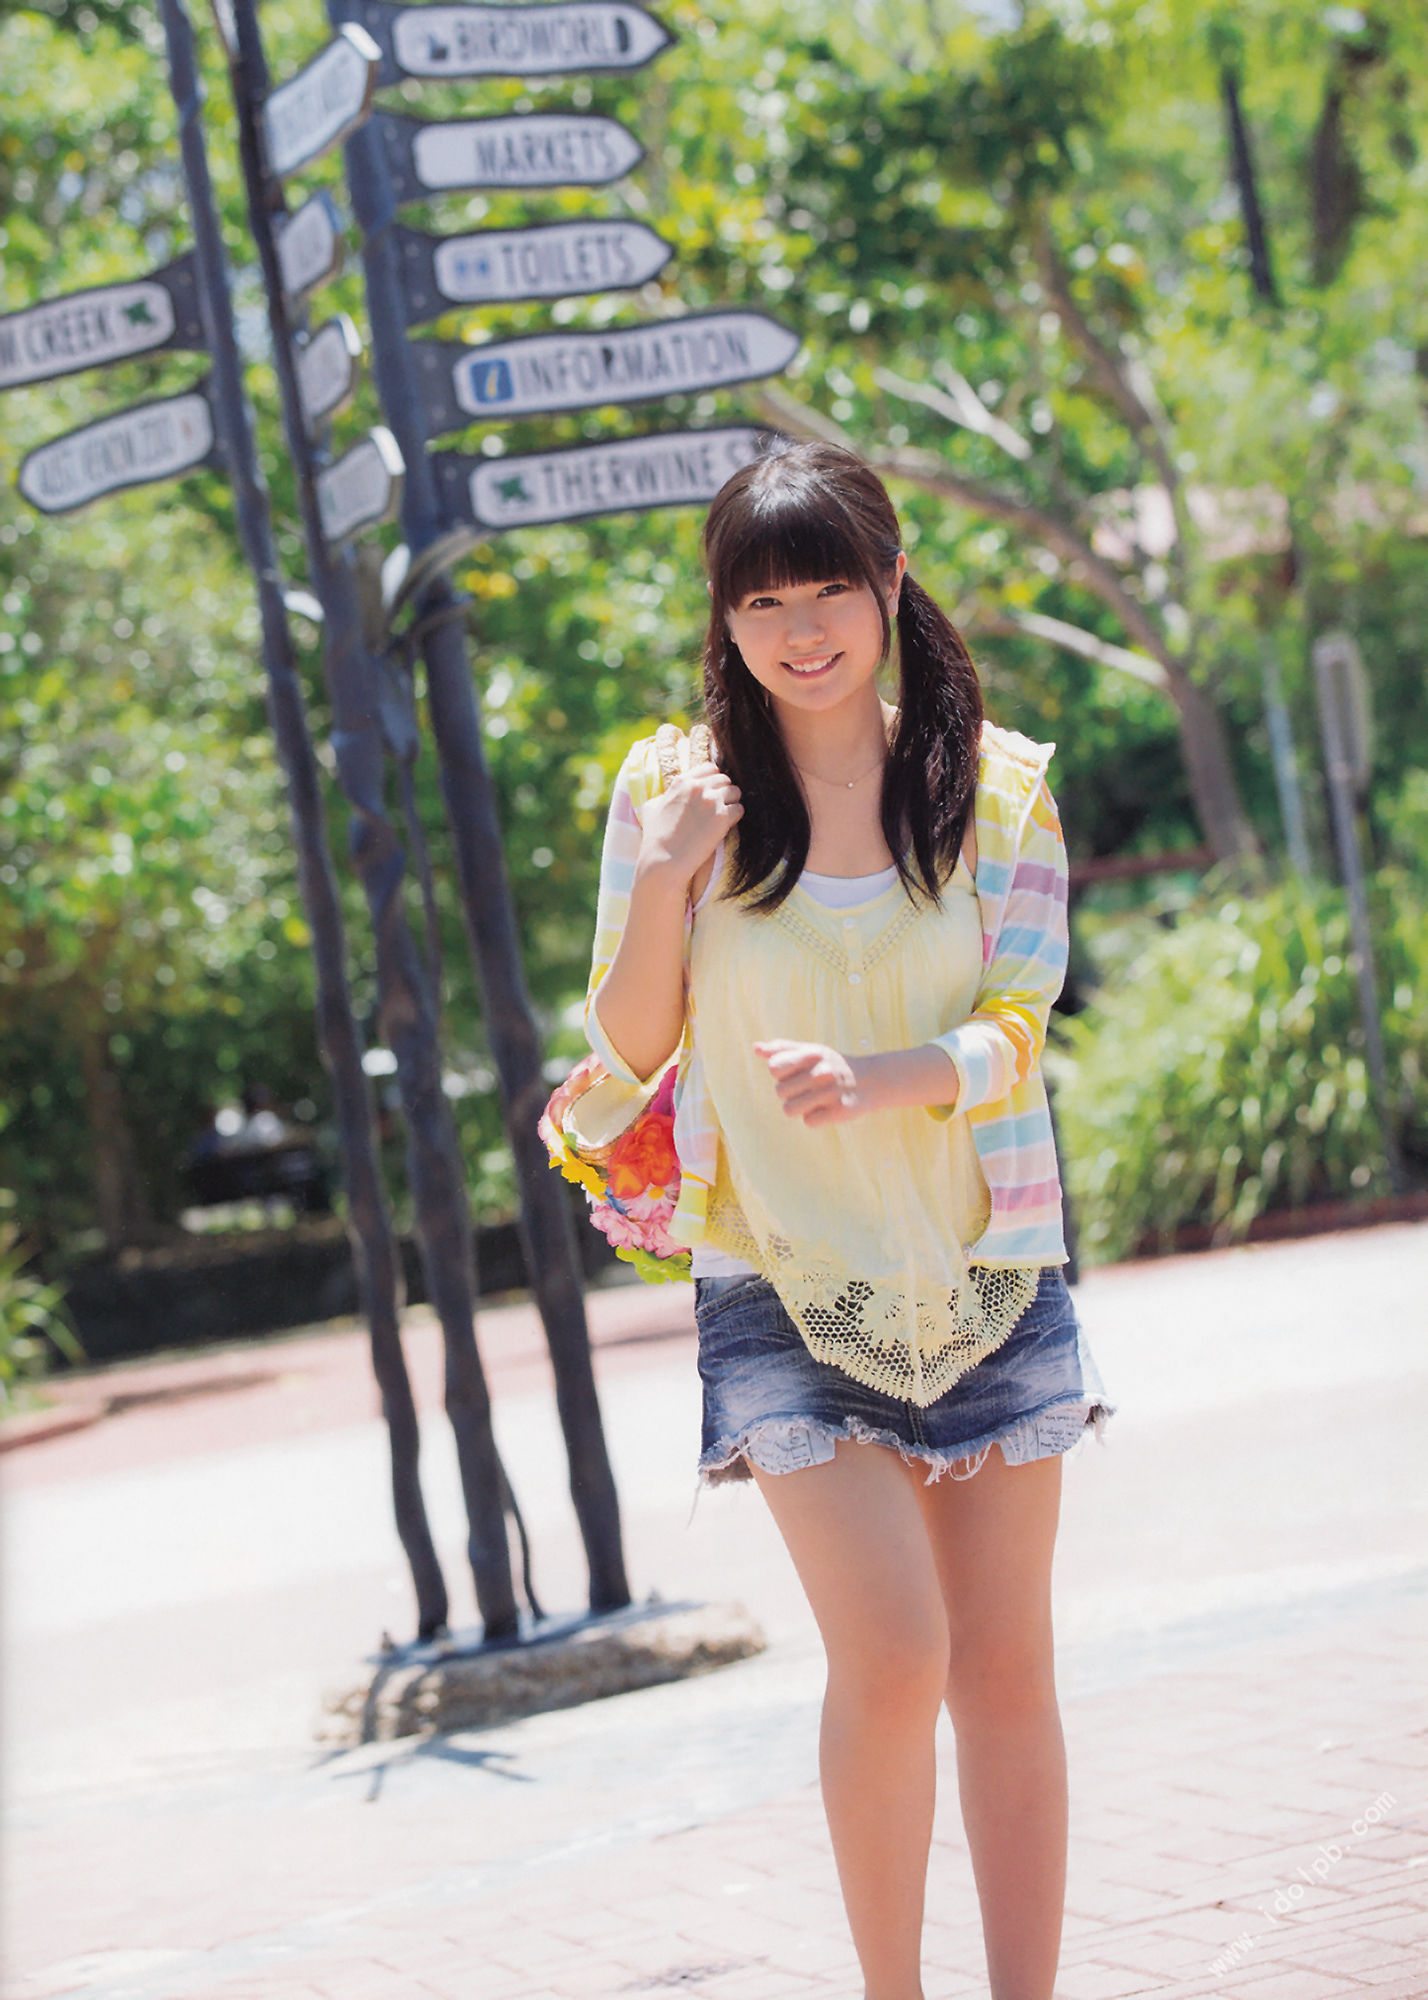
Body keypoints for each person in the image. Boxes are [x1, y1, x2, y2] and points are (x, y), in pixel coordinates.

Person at [583, 439, 1115, 2000]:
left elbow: (1021, 1017)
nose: (800, 630)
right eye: (762, 602)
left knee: (1005, 1668)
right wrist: (669, 879)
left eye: (828, 590)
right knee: (893, 1656)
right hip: (780, 1277)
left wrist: (891, 1078)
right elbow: (624, 1054)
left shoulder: (993, 787)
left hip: (987, 1263)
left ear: (889, 583)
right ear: (725, 619)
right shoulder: (672, 792)